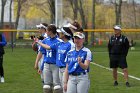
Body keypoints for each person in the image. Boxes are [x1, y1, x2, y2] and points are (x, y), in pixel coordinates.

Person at [36, 27, 75, 93]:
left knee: (64, 88)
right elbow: (48, 47)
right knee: (60, 88)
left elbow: (73, 58)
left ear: (64, 34)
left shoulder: (71, 44)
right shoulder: (60, 43)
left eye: (60, 32)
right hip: (60, 69)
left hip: (66, 69)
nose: (58, 33)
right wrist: (38, 42)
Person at [34, 24, 62, 93]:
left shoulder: (59, 41)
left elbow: (49, 48)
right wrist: (37, 63)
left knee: (57, 87)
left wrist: (39, 42)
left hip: (56, 65)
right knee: (46, 86)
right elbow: (41, 53)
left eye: (47, 30)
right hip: (46, 64)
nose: (46, 32)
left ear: (51, 31)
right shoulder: (45, 40)